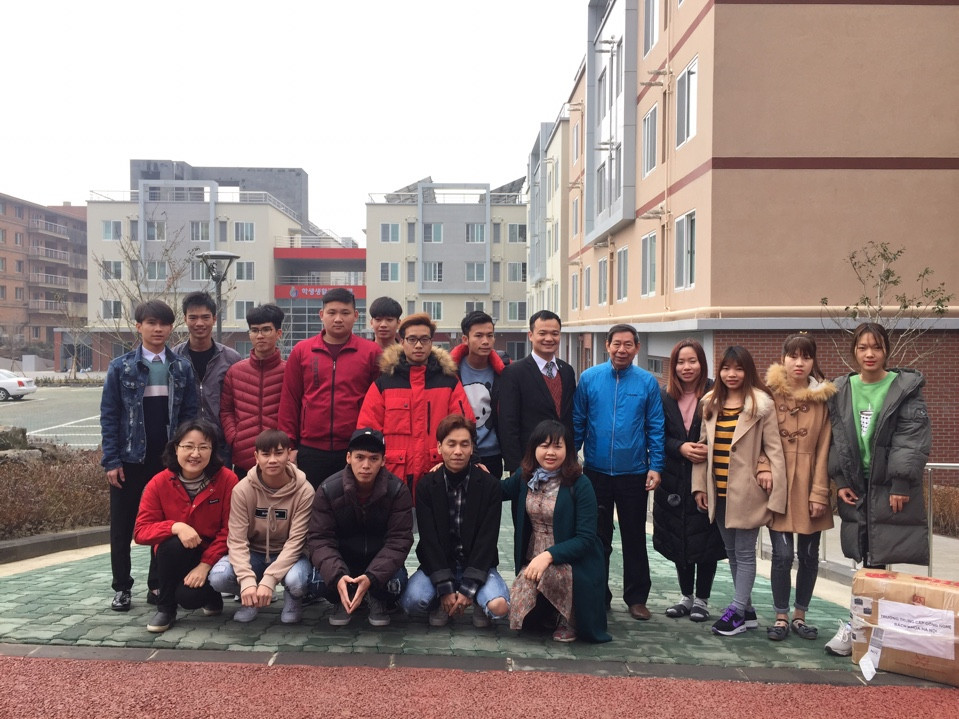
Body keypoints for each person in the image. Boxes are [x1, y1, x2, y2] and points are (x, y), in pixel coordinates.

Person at [824, 322, 932, 656]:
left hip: (888, 486)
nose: (869, 354)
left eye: (876, 347)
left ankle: (864, 633)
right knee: (864, 557)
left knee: (878, 560)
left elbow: (911, 438)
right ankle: (863, 631)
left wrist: (901, 482)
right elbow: (837, 438)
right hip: (856, 485)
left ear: (886, 350)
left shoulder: (903, 388)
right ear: (853, 352)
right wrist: (840, 480)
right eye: (862, 347)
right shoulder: (842, 388)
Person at [100, 299, 198, 612]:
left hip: (167, 461)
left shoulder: (181, 367)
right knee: (122, 527)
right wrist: (111, 460)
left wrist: (186, 456)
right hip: (130, 460)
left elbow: (190, 415)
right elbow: (110, 415)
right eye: (151, 323)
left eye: (164, 324)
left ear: (171, 328)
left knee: (164, 525)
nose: (158, 329)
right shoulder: (121, 367)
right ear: (139, 326)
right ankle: (121, 587)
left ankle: (156, 584)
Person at [692, 346, 786, 637]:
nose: (731, 374)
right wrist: (699, 486)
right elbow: (702, 448)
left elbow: (774, 448)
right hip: (717, 490)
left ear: (748, 371)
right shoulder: (710, 402)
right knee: (731, 552)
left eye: (739, 368)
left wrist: (774, 484)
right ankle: (747, 611)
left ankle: (735, 611)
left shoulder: (761, 404)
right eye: (726, 368)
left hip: (747, 492)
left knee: (744, 553)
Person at [573, 324, 665, 619]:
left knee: (634, 537)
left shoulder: (647, 382)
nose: (621, 350)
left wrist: (656, 466)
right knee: (596, 538)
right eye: (616, 344)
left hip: (634, 473)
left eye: (628, 344)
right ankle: (598, 594)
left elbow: (656, 427)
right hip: (595, 472)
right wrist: (571, 460)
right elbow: (578, 421)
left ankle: (636, 598)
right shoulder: (589, 378)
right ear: (607, 346)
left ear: (637, 348)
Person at [502, 419, 611, 643]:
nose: (550, 452)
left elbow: (586, 538)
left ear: (568, 451)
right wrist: (463, 467)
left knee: (551, 574)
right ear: (534, 449)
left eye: (557, 446)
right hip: (534, 559)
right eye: (544, 446)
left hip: (573, 562)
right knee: (522, 618)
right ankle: (551, 611)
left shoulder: (580, 484)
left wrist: (548, 555)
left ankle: (570, 618)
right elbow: (493, 490)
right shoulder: (526, 477)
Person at [400, 414, 509, 627]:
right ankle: (441, 602)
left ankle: (477, 601)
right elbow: (429, 541)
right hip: (440, 565)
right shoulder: (426, 486)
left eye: (464, 444)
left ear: (472, 448)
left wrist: (468, 589)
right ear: (439, 447)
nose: (458, 451)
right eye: (451, 444)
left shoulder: (490, 486)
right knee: (411, 602)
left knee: (499, 608)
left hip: (477, 565)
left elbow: (486, 541)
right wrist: (444, 588)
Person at [133, 418, 238, 633]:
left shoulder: (227, 480)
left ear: (212, 450)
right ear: (176, 448)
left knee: (189, 598)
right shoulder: (159, 482)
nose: (195, 454)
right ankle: (165, 609)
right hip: (174, 555)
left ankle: (211, 595)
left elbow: (231, 530)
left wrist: (205, 565)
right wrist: (175, 527)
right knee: (171, 544)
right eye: (188, 446)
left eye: (203, 447)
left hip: (213, 553)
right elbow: (141, 531)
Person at [765, 334, 836, 642]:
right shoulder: (768, 397)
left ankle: (800, 615)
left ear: (813, 361)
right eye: (793, 356)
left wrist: (819, 493)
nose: (799, 363)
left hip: (810, 485)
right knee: (782, 555)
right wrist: (763, 469)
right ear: (783, 358)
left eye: (806, 357)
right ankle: (780, 616)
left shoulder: (822, 400)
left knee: (808, 555)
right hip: (778, 486)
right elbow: (758, 442)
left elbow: (824, 450)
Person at [356, 313, 474, 497]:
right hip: (393, 478)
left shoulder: (449, 382)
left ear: (431, 342)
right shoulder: (384, 384)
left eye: (424, 339)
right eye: (412, 339)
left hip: (438, 474)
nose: (418, 345)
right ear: (402, 342)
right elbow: (368, 432)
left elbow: (464, 427)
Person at [305, 428, 414, 627]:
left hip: (379, 564)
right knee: (316, 582)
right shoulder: (328, 489)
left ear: (383, 461)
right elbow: (320, 539)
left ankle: (377, 598)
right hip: (342, 562)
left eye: (373, 459)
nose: (366, 465)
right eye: (359, 457)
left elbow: (399, 541)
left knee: (396, 585)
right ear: (348, 458)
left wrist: (372, 577)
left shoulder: (398, 490)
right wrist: (338, 576)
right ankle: (341, 598)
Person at [652, 339, 726, 623]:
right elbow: (656, 434)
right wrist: (679, 447)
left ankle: (702, 600)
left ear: (702, 363)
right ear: (673, 366)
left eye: (692, 361)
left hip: (707, 477)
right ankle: (686, 597)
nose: (686, 367)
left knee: (706, 538)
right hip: (673, 477)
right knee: (679, 536)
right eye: (681, 362)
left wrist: (707, 449)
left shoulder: (716, 393)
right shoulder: (664, 396)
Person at [278, 288, 381, 488]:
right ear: (321, 315)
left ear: (355, 316)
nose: (338, 319)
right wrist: (289, 446)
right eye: (332, 312)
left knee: (352, 504)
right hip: (310, 449)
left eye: (345, 313)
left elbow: (377, 404)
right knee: (312, 503)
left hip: (355, 448)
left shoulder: (371, 352)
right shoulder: (302, 351)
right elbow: (290, 400)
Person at [208, 429, 314, 624]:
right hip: (254, 552)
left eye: (278, 453)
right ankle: (250, 599)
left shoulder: (305, 491)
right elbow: (237, 540)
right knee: (219, 577)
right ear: (256, 457)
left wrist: (270, 579)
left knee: (297, 581)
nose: (272, 460)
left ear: (289, 455)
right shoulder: (242, 489)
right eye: (266, 454)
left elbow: (297, 541)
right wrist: (247, 580)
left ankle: (293, 599)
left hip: (290, 554)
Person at [496, 310, 576, 474]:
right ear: (531, 335)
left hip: (562, 462)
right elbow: (508, 424)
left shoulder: (567, 371)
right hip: (528, 463)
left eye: (554, 333)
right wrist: (516, 467)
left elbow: (569, 417)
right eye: (542, 333)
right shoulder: (514, 373)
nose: (549, 338)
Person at [172, 291, 242, 462]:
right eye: (193, 317)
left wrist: (233, 435)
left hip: (221, 443)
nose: (199, 323)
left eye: (205, 317)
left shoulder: (231, 358)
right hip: (185, 443)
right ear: (185, 319)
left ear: (214, 319)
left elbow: (238, 403)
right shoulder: (174, 358)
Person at [220, 304, 286, 476]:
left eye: (266, 330)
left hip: (278, 457)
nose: (260, 335)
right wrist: (234, 438)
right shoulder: (235, 371)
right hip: (244, 457)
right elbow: (226, 410)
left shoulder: (289, 371)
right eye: (254, 330)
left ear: (278, 333)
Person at [449, 310, 510, 477]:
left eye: (490, 335)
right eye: (479, 336)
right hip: (459, 451)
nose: (485, 341)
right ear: (465, 339)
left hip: (493, 454)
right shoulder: (448, 371)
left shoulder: (504, 371)